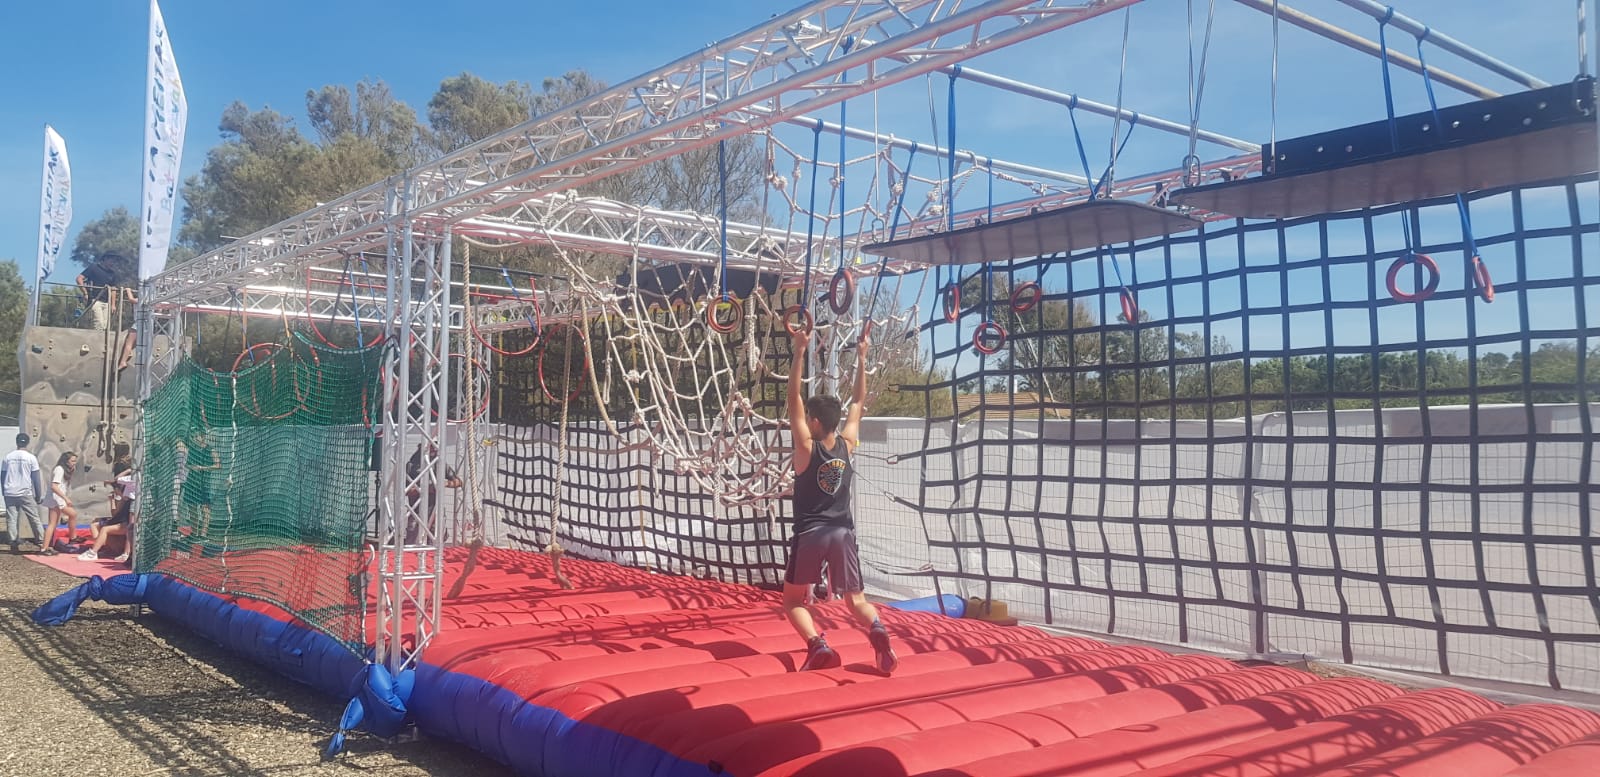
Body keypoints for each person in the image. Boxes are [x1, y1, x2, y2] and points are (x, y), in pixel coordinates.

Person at [783, 324, 897, 674]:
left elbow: (792, 400)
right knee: (856, 600)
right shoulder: (848, 444)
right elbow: (858, 402)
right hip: (843, 533)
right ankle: (876, 627)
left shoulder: (806, 448)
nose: (805, 421)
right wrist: (862, 357)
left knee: (792, 600)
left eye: (808, 418)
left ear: (815, 422)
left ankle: (817, 645)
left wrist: (799, 351)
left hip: (811, 533)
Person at [405, 442, 462, 545]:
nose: (434, 449)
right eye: (431, 446)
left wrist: (446, 483)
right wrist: (426, 489)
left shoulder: (440, 465)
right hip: (416, 511)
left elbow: (458, 482)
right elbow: (406, 491)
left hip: (435, 510)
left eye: (435, 446)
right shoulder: (411, 466)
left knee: (436, 542)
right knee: (412, 541)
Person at [80, 462, 134, 563]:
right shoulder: (126, 493)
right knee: (96, 524)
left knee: (105, 528)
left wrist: (113, 500)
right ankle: (99, 546)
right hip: (124, 520)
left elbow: (116, 512)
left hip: (125, 522)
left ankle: (94, 551)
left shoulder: (127, 493)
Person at [2, 433, 45, 554]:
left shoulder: (8, 457)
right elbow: (35, 478)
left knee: (12, 518)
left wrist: (4, 491)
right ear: (27, 443)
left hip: (10, 492)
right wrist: (38, 495)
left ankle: (13, 542)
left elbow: (3, 476)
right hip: (25, 492)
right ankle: (41, 541)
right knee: (34, 517)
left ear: (17, 442)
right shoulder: (31, 458)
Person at [40, 451, 79, 556]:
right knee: (56, 521)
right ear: (66, 461)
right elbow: (54, 486)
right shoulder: (59, 470)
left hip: (57, 499)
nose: (74, 463)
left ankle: (48, 546)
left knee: (56, 522)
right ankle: (72, 537)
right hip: (56, 499)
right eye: (72, 461)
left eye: (75, 461)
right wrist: (66, 498)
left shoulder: (65, 470)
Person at [184, 431, 220, 537]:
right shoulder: (192, 450)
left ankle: (203, 534)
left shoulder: (210, 450)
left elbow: (218, 465)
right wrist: (193, 467)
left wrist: (203, 468)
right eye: (193, 436)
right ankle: (194, 533)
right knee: (192, 508)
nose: (194, 438)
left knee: (205, 508)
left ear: (203, 437)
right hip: (191, 482)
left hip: (204, 483)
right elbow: (187, 464)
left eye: (196, 436)